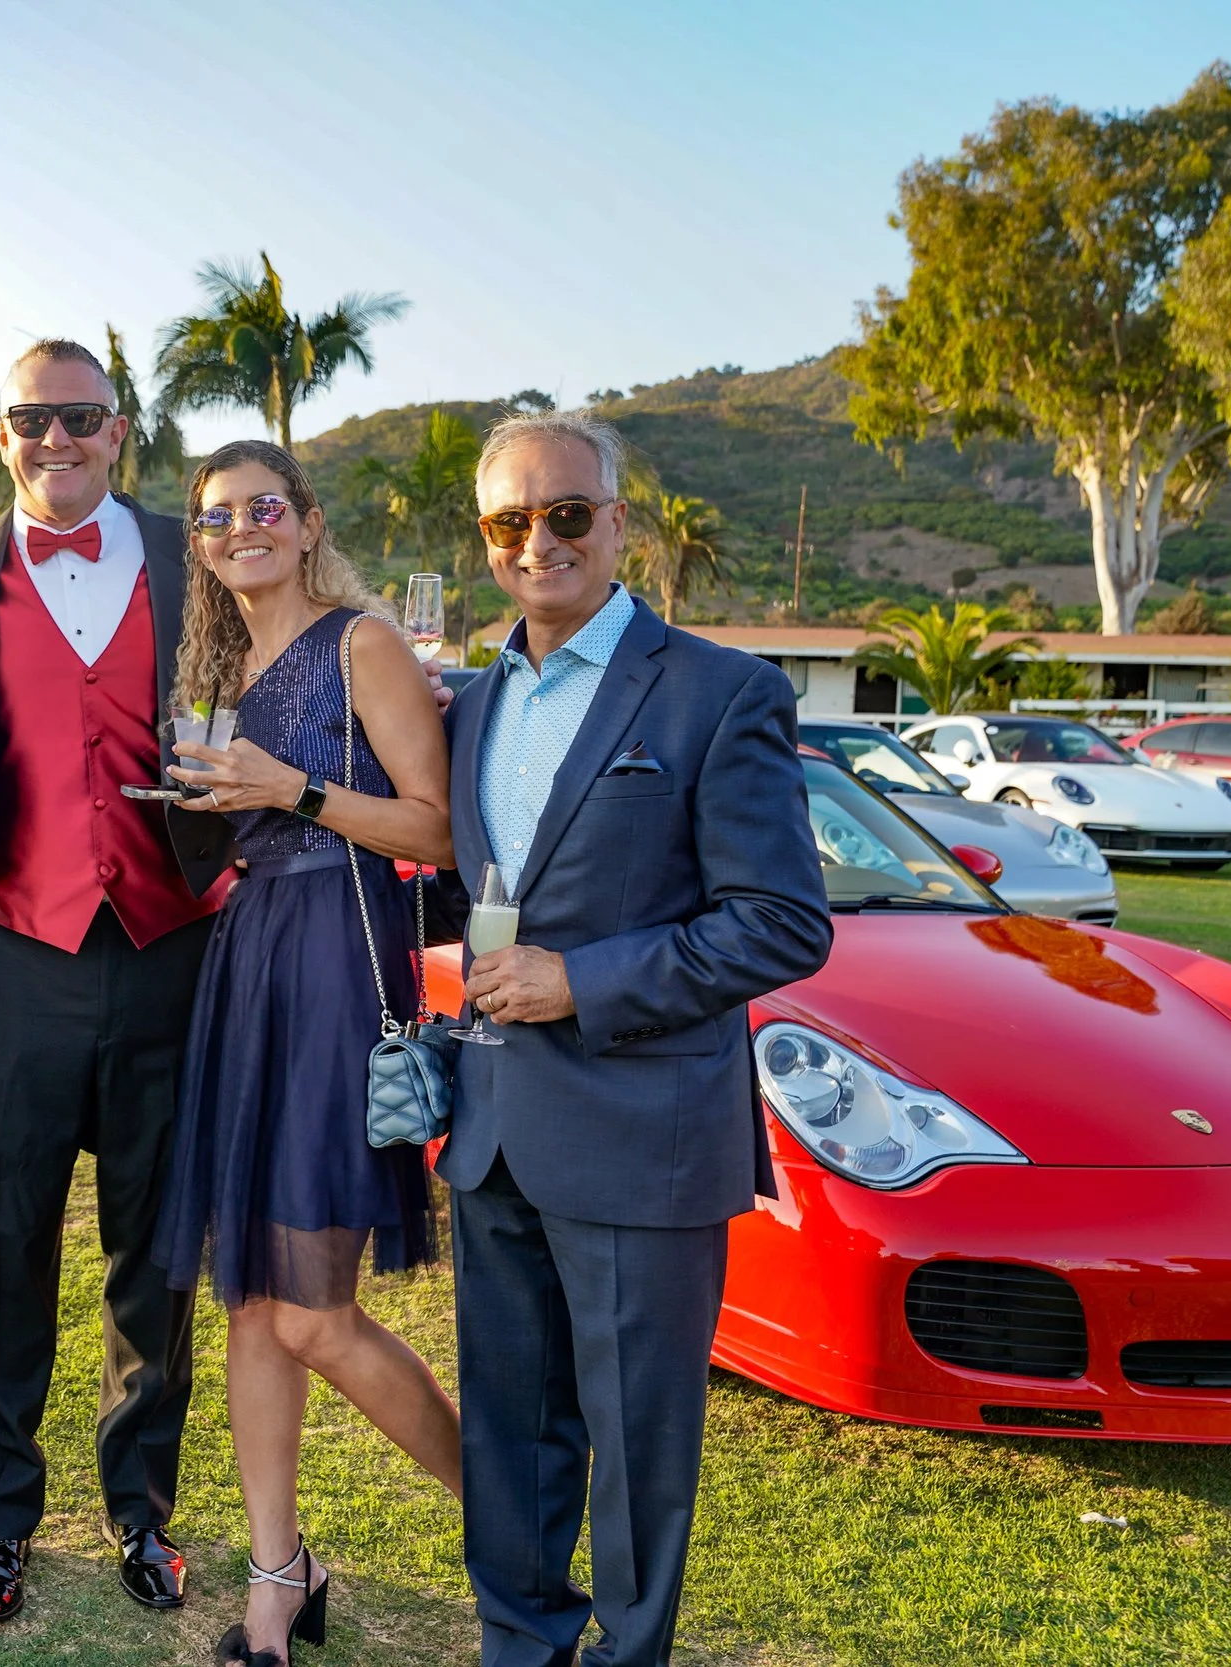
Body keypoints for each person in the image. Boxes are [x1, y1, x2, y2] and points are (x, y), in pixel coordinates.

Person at [429, 410, 830, 1667]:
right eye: (510, 521)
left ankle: (629, 1653)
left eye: (565, 514)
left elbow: (778, 921)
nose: (538, 542)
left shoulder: (721, 690)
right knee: (509, 1426)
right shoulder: (470, 702)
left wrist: (581, 979)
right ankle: (520, 1641)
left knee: (637, 1443)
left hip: (640, 1128)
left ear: (615, 521)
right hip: (494, 1131)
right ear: (487, 540)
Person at [0, 340, 235, 1624]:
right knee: (4, 1243)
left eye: (80, 416)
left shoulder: (187, 549)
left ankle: (140, 1511)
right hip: (15, 947)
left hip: (172, 944)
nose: (57, 438)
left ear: (117, 431)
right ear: (0, 433)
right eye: (32, 418)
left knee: (154, 1254)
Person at [152, 439, 463, 1667]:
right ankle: (279, 1578)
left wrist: (293, 789)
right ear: (200, 542)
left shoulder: (359, 641)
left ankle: (507, 1522)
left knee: (314, 1312)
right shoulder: (227, 665)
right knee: (249, 1296)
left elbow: (435, 828)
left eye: (263, 506)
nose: (242, 528)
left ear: (306, 519)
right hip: (252, 959)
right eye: (217, 515)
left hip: (340, 961)